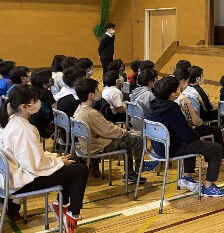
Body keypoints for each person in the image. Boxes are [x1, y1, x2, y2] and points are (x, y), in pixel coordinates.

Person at [0, 84, 88, 232]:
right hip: (21, 181)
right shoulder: (24, 129)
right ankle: (72, 215)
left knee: (69, 166)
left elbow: (30, 157)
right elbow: (35, 165)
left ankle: (62, 206)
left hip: (11, 176)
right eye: (35, 101)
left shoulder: (9, 121)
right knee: (80, 170)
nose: (38, 103)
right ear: (24, 106)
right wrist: (58, 161)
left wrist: (56, 159)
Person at [148, 76, 224, 197]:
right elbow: (186, 134)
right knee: (216, 149)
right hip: (172, 148)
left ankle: (188, 177)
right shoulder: (172, 110)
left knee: (191, 142)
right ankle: (209, 187)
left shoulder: (153, 105)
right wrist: (195, 136)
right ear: (172, 94)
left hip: (158, 146)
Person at [73, 78, 152, 183]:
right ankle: (139, 168)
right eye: (97, 89)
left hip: (89, 144)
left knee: (128, 140)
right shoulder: (91, 113)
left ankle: (131, 174)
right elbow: (108, 130)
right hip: (97, 146)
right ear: (90, 95)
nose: (99, 91)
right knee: (138, 138)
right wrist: (125, 132)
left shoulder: (79, 109)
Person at [174, 68, 224, 152]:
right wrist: (215, 107)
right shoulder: (198, 91)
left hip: (188, 118)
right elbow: (208, 108)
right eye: (202, 76)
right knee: (217, 114)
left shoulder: (184, 90)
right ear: (197, 79)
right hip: (196, 119)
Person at [28, 68, 56, 138]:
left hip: (34, 122)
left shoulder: (31, 90)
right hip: (46, 123)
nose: (52, 79)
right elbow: (56, 108)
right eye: (50, 78)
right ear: (44, 83)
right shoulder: (46, 93)